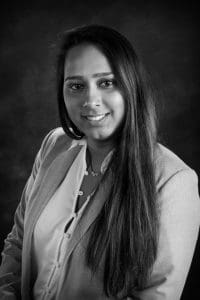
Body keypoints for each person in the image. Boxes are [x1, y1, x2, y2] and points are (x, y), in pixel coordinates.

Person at [0, 24, 199, 300]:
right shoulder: (53, 146)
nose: (90, 100)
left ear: (131, 86)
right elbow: (17, 242)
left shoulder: (173, 180)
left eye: (106, 82)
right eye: (76, 86)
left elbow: (156, 295)